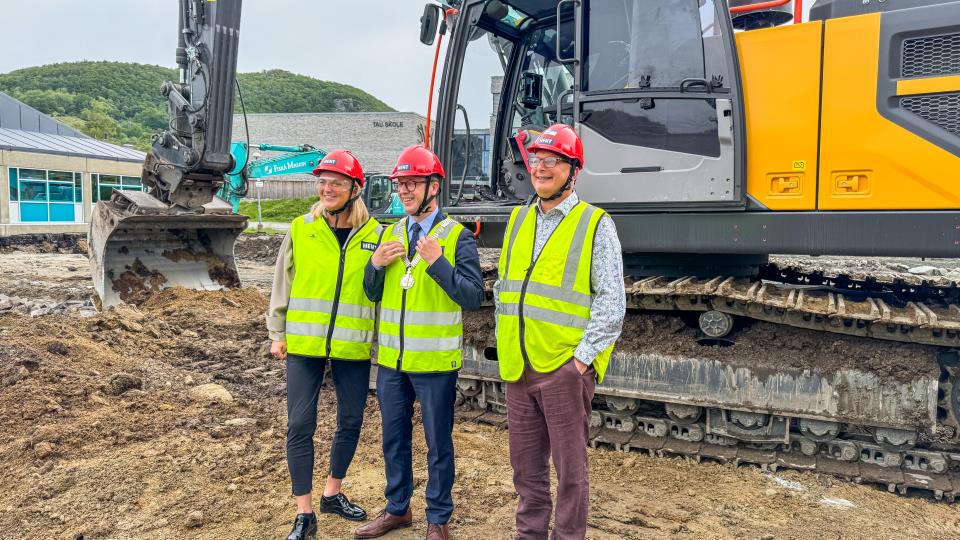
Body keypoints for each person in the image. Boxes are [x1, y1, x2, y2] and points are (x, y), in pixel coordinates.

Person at [494, 124, 626, 539]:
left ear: (574, 171)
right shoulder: (518, 219)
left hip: (563, 370)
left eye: (553, 160)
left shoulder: (595, 224)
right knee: (526, 472)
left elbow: (612, 301)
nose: (541, 168)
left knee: (570, 473)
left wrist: (580, 362)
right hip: (518, 367)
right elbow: (504, 287)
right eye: (536, 159)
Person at [355, 145, 484, 540]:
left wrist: (438, 263)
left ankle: (437, 519)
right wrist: (374, 265)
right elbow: (372, 293)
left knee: (437, 444)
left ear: (433, 187)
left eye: (412, 183)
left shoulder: (458, 237)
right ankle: (398, 509)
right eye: (400, 184)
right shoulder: (390, 233)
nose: (404, 191)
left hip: (434, 363)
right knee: (394, 439)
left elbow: (473, 297)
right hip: (393, 362)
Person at [267, 150, 381, 540]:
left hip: (353, 345)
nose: (327, 188)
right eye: (322, 182)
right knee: (300, 424)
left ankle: (333, 492)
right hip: (304, 345)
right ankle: (304, 513)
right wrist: (277, 332)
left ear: (355, 188)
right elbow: (282, 282)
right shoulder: (302, 228)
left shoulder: (376, 235)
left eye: (336, 182)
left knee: (350, 421)